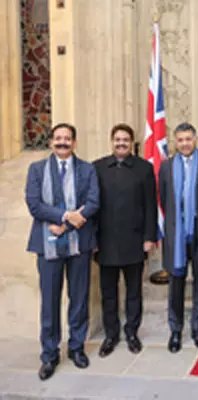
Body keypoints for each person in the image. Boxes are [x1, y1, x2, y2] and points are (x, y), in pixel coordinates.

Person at [25, 123, 100, 380]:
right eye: (58, 138)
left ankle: (77, 348)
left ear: (74, 143)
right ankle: (50, 354)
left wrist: (66, 225)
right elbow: (34, 204)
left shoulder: (88, 170)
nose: (62, 143)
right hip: (46, 244)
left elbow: (93, 202)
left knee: (79, 299)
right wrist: (64, 215)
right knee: (50, 302)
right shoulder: (36, 170)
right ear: (51, 142)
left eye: (67, 139)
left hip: (79, 244)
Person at [93, 123, 157, 357]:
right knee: (108, 291)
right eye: (117, 139)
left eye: (125, 140)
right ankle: (111, 334)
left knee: (134, 291)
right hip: (106, 241)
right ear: (112, 142)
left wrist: (150, 237)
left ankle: (132, 332)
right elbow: (93, 206)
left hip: (135, 240)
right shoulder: (97, 167)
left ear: (132, 143)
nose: (121, 143)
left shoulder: (144, 168)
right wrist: (93, 239)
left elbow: (150, 205)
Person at [159, 122, 198, 353]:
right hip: (176, 235)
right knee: (176, 282)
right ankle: (175, 330)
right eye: (181, 140)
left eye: (188, 139)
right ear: (176, 142)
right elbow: (165, 200)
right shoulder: (165, 168)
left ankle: (197, 329)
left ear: (196, 139)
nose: (185, 143)